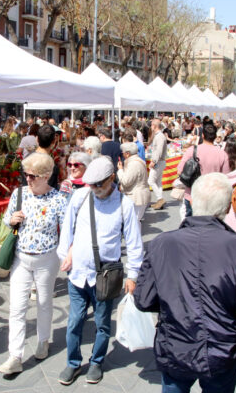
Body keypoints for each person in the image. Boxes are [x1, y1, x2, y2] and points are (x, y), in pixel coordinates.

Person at [134, 172, 236, 393]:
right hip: (222, 351)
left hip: (176, 347)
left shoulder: (161, 244)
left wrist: (172, 302)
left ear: (192, 201)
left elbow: (143, 299)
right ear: (228, 207)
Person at [56, 156, 143, 386]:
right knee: (74, 322)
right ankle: (73, 362)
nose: (94, 188)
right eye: (91, 184)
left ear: (111, 178)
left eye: (99, 184)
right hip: (78, 274)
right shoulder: (81, 197)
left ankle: (96, 361)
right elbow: (67, 227)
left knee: (103, 323)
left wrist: (133, 275)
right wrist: (65, 253)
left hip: (105, 276)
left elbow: (134, 242)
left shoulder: (124, 205)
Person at [0, 153, 67, 375]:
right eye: (25, 174)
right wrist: (12, 220)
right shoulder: (19, 194)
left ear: (46, 176)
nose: (27, 179)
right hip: (21, 258)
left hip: (47, 259)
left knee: (44, 303)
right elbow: (6, 218)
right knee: (17, 308)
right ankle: (15, 356)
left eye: (32, 176)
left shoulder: (58, 199)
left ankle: (43, 340)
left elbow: (66, 230)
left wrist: (68, 255)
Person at [177, 123, 230, 219]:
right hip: (214, 196)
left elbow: (180, 171)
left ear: (202, 135)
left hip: (193, 194)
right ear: (215, 136)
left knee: (191, 223)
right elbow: (226, 178)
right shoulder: (222, 154)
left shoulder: (192, 150)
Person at [117, 141, 150, 221]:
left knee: (133, 222)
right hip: (138, 195)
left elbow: (126, 181)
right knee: (135, 222)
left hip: (136, 196)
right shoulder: (137, 161)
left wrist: (120, 170)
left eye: (123, 153)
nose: (122, 155)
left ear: (127, 153)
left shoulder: (133, 164)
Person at [148, 119, 168, 210]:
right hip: (160, 161)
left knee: (151, 181)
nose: (151, 127)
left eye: (151, 125)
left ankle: (160, 199)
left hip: (158, 161)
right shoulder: (159, 135)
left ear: (154, 126)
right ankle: (159, 201)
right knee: (158, 182)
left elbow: (159, 150)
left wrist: (154, 161)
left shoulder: (159, 136)